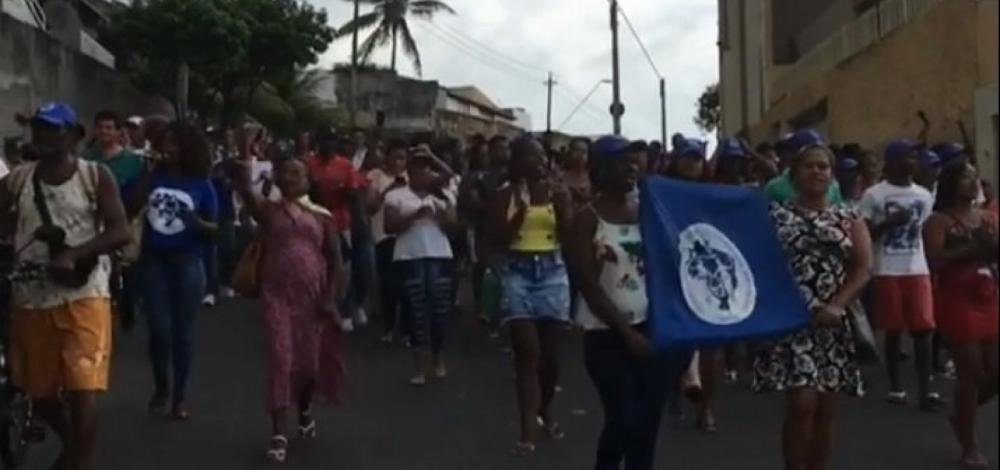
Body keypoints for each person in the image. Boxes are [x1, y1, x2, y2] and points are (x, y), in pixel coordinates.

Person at [0, 102, 130, 470]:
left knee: (81, 386)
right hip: (32, 295)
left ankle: (80, 462)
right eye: (39, 128)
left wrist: (75, 254)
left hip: (84, 293)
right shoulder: (19, 179)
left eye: (54, 129)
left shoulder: (94, 175)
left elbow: (119, 230)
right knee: (39, 393)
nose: (43, 135)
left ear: (73, 136)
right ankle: (74, 448)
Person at [567, 135, 688, 470]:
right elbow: (587, 284)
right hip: (607, 336)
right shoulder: (586, 219)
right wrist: (626, 334)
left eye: (635, 161)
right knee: (623, 420)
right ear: (601, 169)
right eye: (622, 162)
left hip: (653, 329)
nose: (632, 167)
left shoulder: (648, 211)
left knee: (647, 425)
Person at [753, 143, 872, 470]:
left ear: (832, 175)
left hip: (833, 321)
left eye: (823, 167)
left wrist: (838, 305)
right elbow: (758, 261)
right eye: (809, 166)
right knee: (802, 403)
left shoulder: (848, 215)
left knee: (826, 408)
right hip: (792, 319)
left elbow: (863, 268)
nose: (817, 172)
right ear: (794, 174)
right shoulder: (775, 215)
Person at [232, 156, 346, 464]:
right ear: (278, 180)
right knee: (281, 359)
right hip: (276, 295)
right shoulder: (270, 212)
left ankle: (305, 409)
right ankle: (278, 432)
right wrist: (243, 178)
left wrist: (330, 298)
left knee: (307, 366)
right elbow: (249, 198)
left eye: (297, 172)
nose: (291, 176)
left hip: (312, 298)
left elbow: (335, 260)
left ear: (308, 181)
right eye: (286, 172)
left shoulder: (322, 216)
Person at [487, 135, 572, 455]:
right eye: (531, 156)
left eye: (541, 156)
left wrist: (564, 211)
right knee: (528, 353)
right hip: (517, 272)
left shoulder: (556, 192)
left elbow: (568, 234)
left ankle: (545, 407)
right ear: (517, 161)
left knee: (550, 359)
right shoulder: (505, 195)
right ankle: (527, 429)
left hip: (552, 270)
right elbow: (497, 239)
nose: (538, 162)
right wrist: (521, 214)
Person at [130, 122, 218, 421]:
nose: (168, 150)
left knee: (183, 333)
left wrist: (198, 223)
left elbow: (216, 227)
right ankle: (161, 385)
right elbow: (129, 207)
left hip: (187, 260)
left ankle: (180, 395)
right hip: (153, 259)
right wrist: (148, 173)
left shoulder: (201, 184)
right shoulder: (153, 177)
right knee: (158, 330)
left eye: (175, 144)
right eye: (165, 143)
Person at [858, 139, 944, 412]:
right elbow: (864, 235)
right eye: (907, 157)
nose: (913, 162)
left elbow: (926, 233)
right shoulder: (874, 195)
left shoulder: (924, 195)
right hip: (887, 269)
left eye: (915, 158)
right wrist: (888, 223)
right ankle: (896, 386)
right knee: (893, 331)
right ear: (892, 162)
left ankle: (925, 389)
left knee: (924, 330)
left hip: (917, 268)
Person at [923, 161, 999, 468]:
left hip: (989, 295)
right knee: (970, 371)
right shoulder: (938, 221)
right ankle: (970, 445)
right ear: (951, 183)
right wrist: (973, 248)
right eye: (964, 177)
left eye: (974, 177)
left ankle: (961, 413)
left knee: (994, 371)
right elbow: (936, 261)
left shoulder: (987, 217)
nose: (972, 182)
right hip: (957, 299)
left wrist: (991, 246)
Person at [384, 145, 458, 385]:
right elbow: (389, 227)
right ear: (409, 173)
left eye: (427, 170)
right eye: (417, 170)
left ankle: (437, 356)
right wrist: (415, 216)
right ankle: (419, 364)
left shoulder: (443, 195)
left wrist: (439, 215)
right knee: (416, 311)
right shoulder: (396, 195)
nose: (423, 174)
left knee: (438, 310)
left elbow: (453, 227)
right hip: (409, 255)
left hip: (438, 255)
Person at [306, 129, 369, 332]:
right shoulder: (309, 163)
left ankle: (344, 309)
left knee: (343, 268)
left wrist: (343, 192)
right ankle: (316, 310)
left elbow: (354, 194)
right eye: (324, 141)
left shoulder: (345, 165)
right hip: (313, 222)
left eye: (332, 141)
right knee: (316, 267)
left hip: (340, 223)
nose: (328, 145)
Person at [367, 139, 409, 343]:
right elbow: (370, 207)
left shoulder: (411, 179)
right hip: (382, 236)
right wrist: (389, 189)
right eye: (396, 156)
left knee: (406, 285)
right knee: (388, 285)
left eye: (403, 158)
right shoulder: (375, 176)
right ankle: (389, 325)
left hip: (405, 236)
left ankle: (406, 328)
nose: (399, 162)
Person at [764, 130, 845, 205]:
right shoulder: (775, 187)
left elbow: (839, 208)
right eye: (809, 166)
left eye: (822, 166)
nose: (815, 171)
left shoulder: (833, 185)